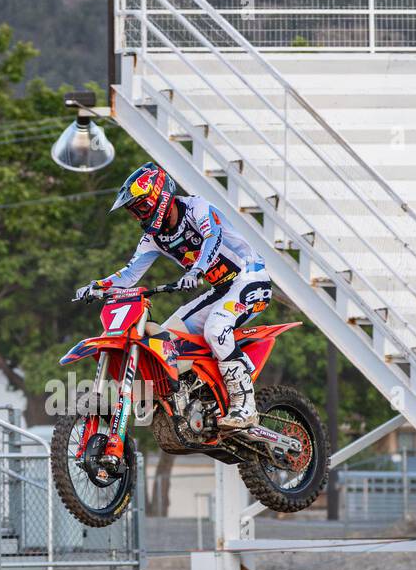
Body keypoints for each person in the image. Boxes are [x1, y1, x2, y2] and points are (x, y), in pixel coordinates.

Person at [80, 161, 274, 429]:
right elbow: (129, 275)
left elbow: (212, 237)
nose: (138, 216)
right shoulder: (154, 238)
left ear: (160, 197)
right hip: (220, 290)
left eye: (141, 208)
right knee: (167, 338)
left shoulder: (197, 208)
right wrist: (98, 286)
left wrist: (196, 270)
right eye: (134, 212)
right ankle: (195, 399)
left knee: (217, 327)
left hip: (250, 279)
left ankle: (245, 406)